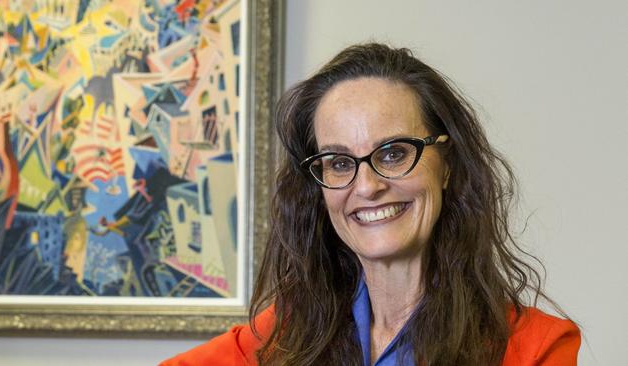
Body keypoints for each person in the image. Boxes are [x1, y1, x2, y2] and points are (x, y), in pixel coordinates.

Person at [161, 43, 580, 366]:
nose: (367, 186)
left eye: (394, 153)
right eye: (340, 162)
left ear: (446, 166)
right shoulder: (289, 333)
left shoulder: (537, 348)